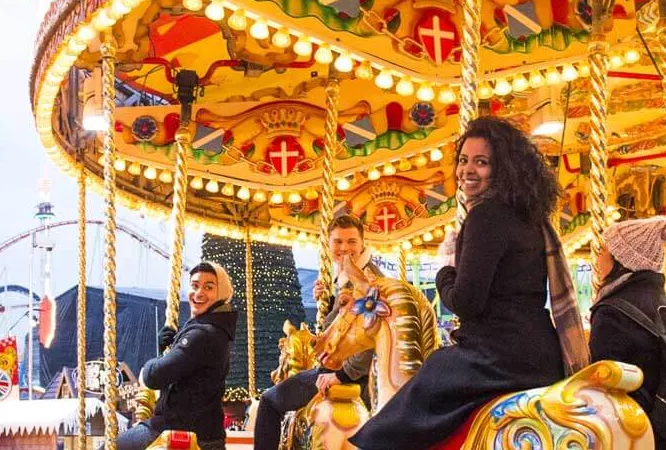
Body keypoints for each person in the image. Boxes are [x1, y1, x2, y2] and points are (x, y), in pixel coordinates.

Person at [348, 117, 567, 449]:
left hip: (497, 354)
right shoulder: (529, 217)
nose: (467, 170)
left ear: (502, 168)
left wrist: (444, 270)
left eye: (481, 162)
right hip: (540, 352)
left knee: (389, 428)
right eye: (463, 160)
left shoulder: (487, 216)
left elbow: (466, 302)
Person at [253, 215, 382, 450]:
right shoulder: (348, 275)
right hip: (348, 370)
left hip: (347, 373)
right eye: (338, 242)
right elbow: (348, 319)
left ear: (363, 243)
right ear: (329, 244)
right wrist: (330, 300)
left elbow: (369, 329)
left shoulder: (367, 280)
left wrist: (343, 375)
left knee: (269, 401)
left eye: (351, 241)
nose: (344, 248)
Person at [589, 215, 666, 450]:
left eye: (603, 251)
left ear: (622, 259)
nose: (598, 259)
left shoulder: (613, 310)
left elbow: (603, 379)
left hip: (639, 432)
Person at [118, 262, 240, 450]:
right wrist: (167, 350)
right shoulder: (215, 329)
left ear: (221, 292)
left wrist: (148, 368)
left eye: (209, 287)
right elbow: (179, 372)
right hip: (204, 431)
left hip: (180, 428)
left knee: (109, 446)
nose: (198, 293)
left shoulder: (203, 334)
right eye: (194, 285)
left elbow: (154, 377)